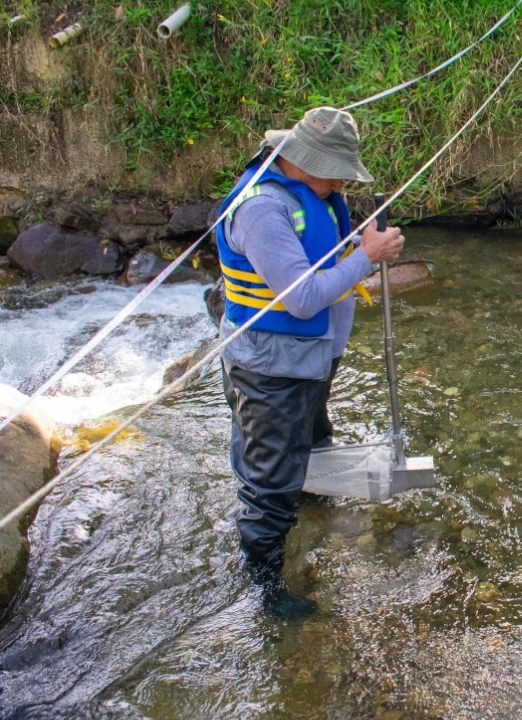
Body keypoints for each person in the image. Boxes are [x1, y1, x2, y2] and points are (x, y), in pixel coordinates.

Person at [215, 107, 404, 617]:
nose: (344, 180)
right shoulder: (262, 211)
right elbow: (302, 299)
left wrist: (362, 246)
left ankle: (311, 497)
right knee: (269, 481)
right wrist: (368, 256)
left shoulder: (314, 193)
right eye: (338, 169)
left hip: (308, 361)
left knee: (312, 437)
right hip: (272, 369)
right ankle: (265, 587)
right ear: (305, 161)